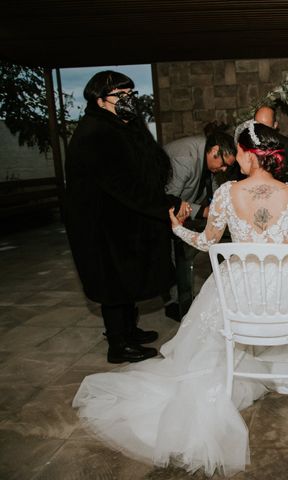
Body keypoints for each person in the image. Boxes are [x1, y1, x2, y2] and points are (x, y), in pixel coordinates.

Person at [73, 121, 288, 476]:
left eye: (239, 153)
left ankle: (244, 362)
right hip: (284, 298)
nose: (234, 162)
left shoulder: (226, 192)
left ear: (248, 154)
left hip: (241, 298)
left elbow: (208, 243)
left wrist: (177, 227)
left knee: (209, 326)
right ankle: (286, 366)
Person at [65, 70, 190, 364]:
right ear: (99, 100)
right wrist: (168, 204)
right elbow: (125, 186)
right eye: (119, 96)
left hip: (119, 221)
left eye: (131, 94)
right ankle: (118, 344)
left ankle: (128, 330)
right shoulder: (96, 133)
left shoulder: (120, 127)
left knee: (126, 279)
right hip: (100, 225)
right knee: (112, 283)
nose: (128, 100)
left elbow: (140, 179)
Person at [163, 125, 237, 320]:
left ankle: (182, 299)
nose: (223, 170)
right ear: (214, 151)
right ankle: (175, 302)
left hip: (184, 210)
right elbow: (169, 198)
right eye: (223, 165)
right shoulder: (185, 159)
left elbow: (213, 193)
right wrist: (204, 211)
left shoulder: (207, 157)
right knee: (172, 255)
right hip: (164, 212)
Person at [254, 105, 288, 179]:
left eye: (266, 127)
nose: (262, 131)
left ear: (275, 125)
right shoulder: (246, 144)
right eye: (258, 126)